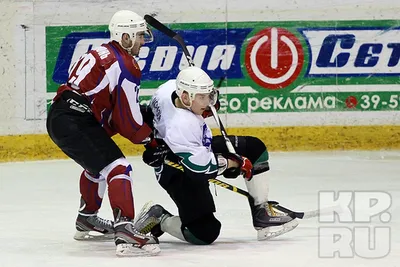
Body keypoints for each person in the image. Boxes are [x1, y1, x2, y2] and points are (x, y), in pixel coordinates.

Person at [134, 66, 299, 245]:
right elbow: (201, 168)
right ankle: (160, 218)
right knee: (204, 233)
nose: (208, 102)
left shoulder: (170, 87)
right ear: (185, 97)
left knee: (255, 148)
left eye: (208, 95)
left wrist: (204, 102)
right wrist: (234, 163)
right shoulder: (181, 126)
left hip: (192, 148)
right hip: (176, 168)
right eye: (202, 97)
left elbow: (151, 115)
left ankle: (261, 212)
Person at [46, 10, 160, 256]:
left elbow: (106, 107)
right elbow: (127, 119)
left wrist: (136, 130)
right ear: (126, 36)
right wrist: (149, 140)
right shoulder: (125, 64)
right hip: (76, 120)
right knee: (118, 167)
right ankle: (126, 228)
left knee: (97, 165)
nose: (143, 41)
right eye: (140, 36)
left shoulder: (100, 52)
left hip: (60, 116)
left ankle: (87, 218)